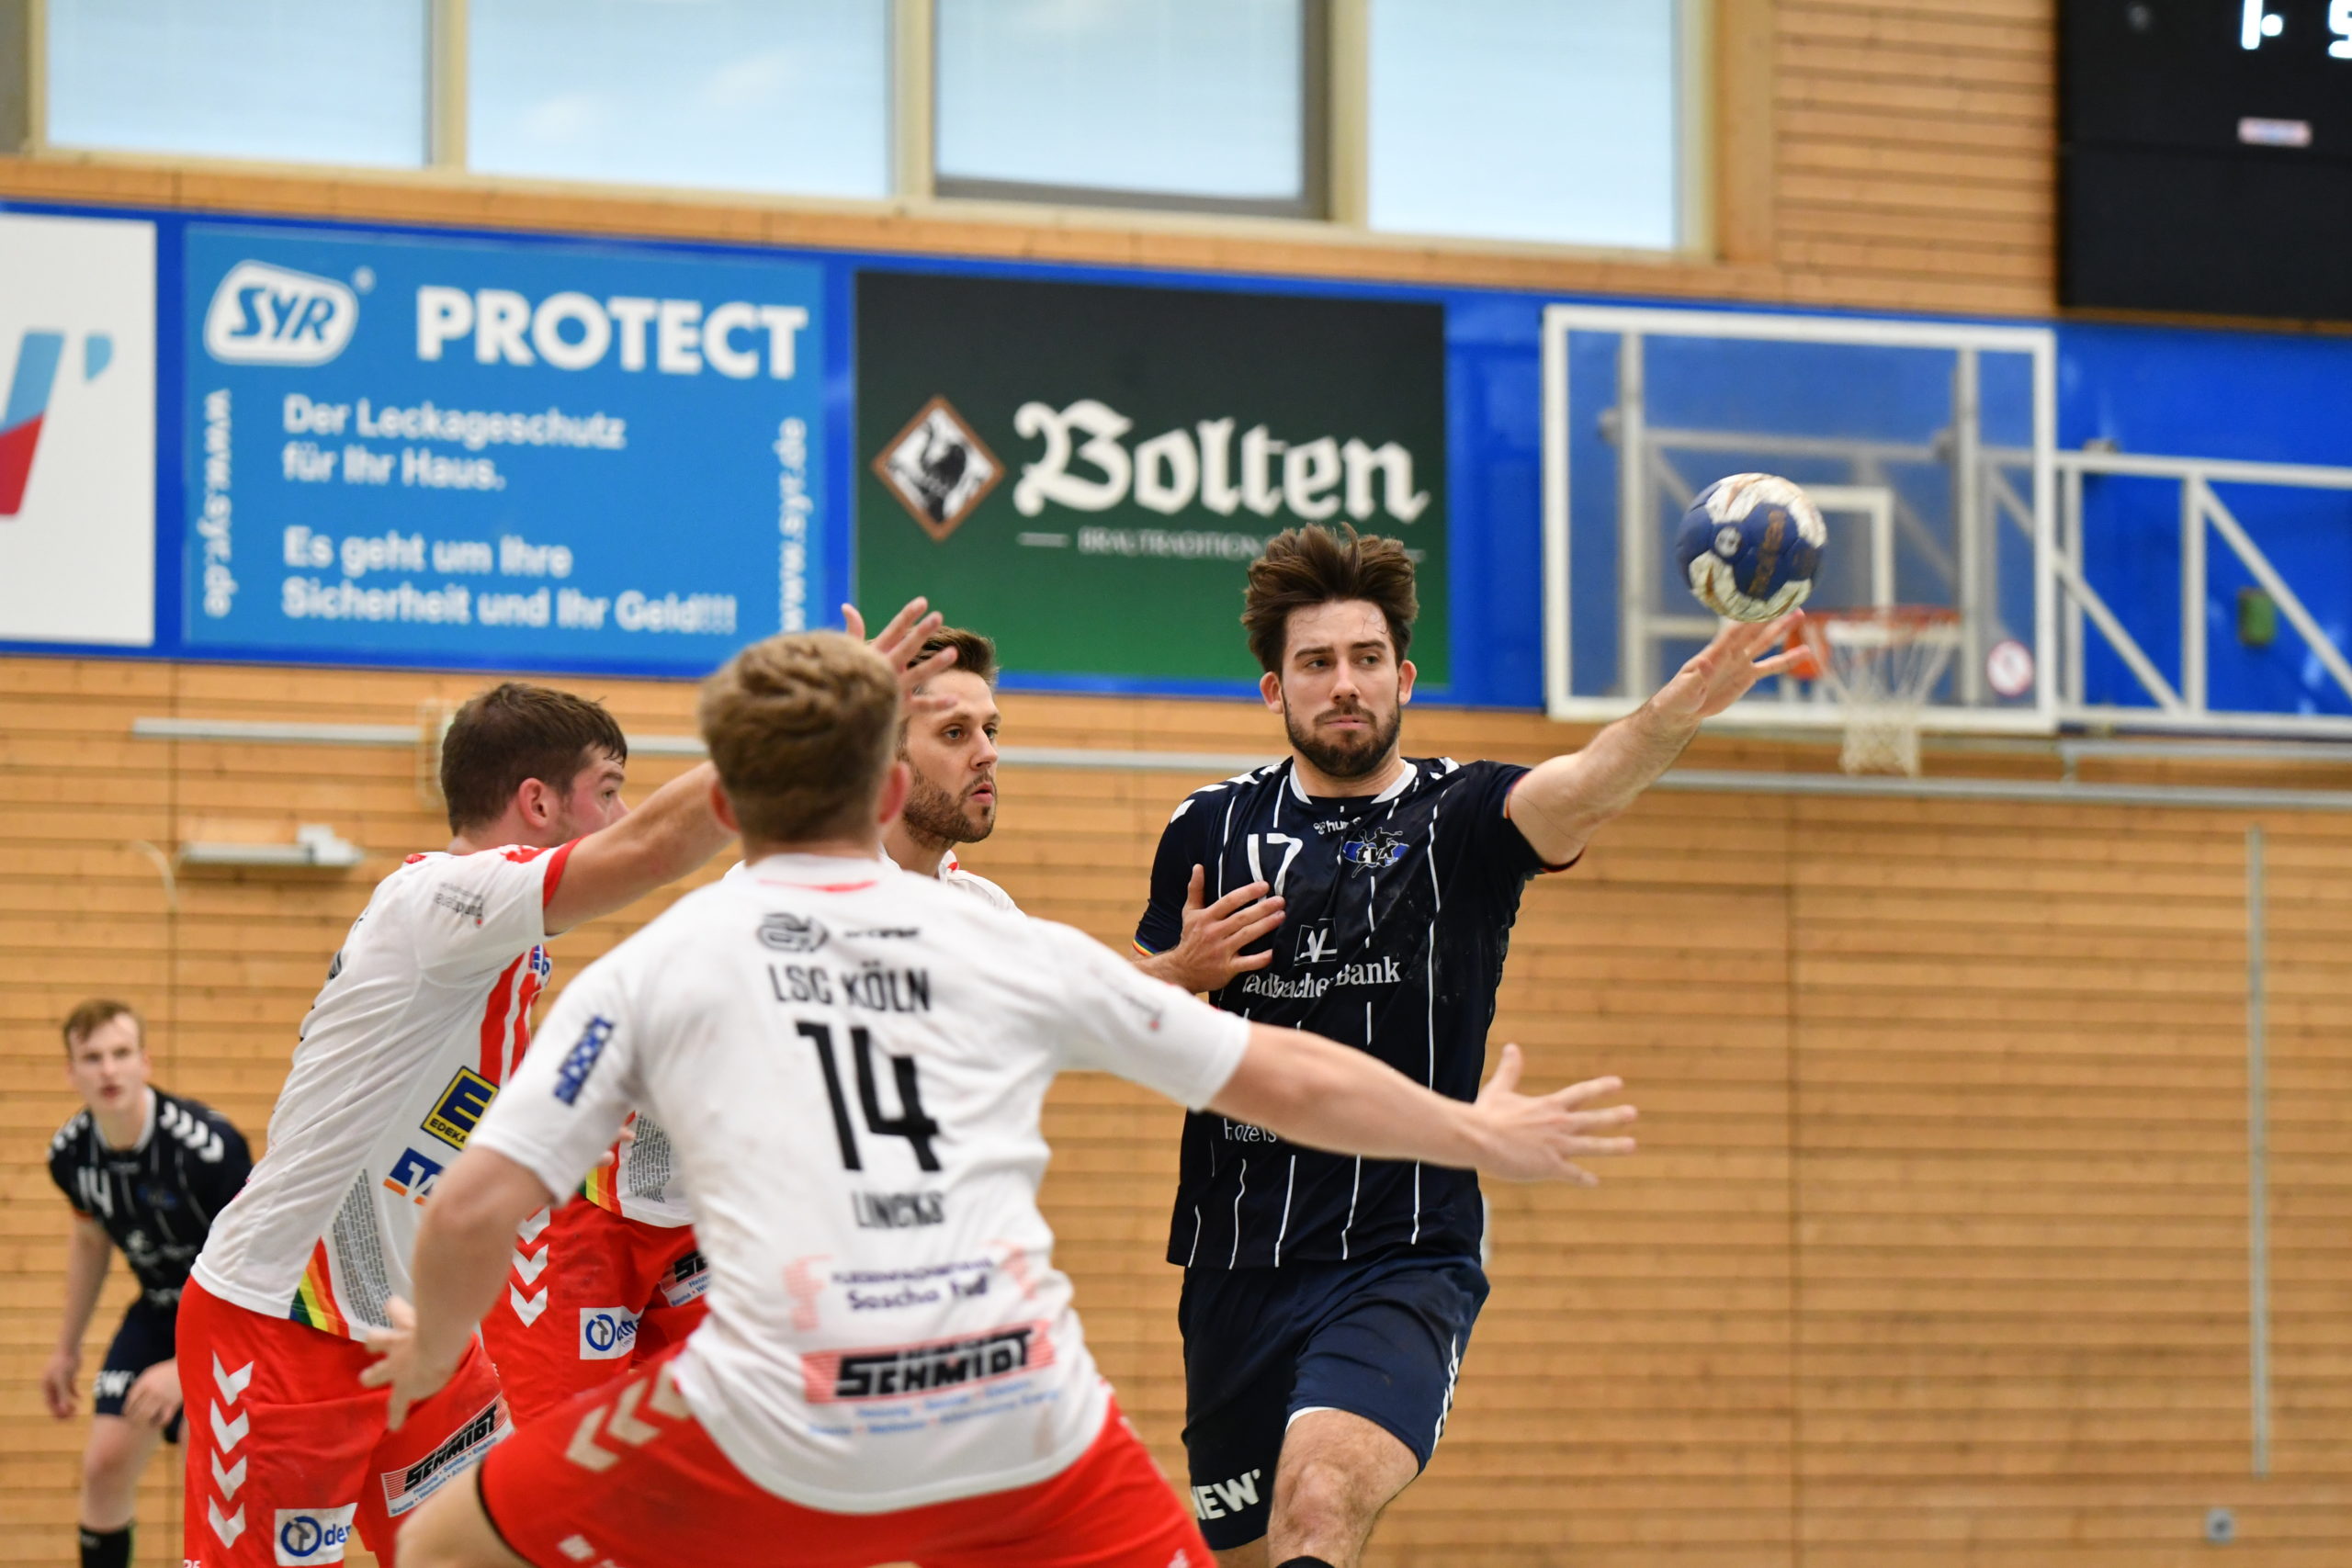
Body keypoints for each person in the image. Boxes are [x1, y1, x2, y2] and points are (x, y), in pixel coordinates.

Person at [357, 630, 1637, 1568]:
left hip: (778, 1410)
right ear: (884, 792)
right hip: (1017, 1408)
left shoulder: (655, 966)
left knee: (442, 1541)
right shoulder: (995, 940)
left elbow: (471, 1209)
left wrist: (428, 1352)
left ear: (727, 805)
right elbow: (1286, 1072)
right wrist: (1476, 1131)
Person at [174, 598, 956, 1568]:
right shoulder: (440, 899)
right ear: (539, 803)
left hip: (415, 1332)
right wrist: (810, 732)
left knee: (505, 1550)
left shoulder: (503, 947)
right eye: (609, 790)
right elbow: (648, 849)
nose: (621, 813)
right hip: (284, 1321)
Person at [1130, 525, 1801, 1568]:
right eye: (1316, 663)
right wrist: (1178, 970)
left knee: (1319, 1503)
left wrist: (1672, 714)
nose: (1343, 684)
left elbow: (1582, 785)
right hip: (1235, 1261)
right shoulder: (1208, 827)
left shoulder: (1464, 815)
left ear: (1403, 677)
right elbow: (1112, 1008)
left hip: (1401, 1254)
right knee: (1253, 1553)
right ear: (1274, 690)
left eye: (1366, 659)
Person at [44, 998, 253, 1568]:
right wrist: (66, 1348)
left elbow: (255, 1261)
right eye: (92, 1058)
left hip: (232, 1314)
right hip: (159, 1309)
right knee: (104, 1464)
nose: (108, 1070)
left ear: (145, 1061)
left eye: (121, 1053)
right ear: (71, 1071)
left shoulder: (207, 1148)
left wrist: (189, 1366)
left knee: (203, 1459)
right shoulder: (70, 1155)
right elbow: (90, 1242)